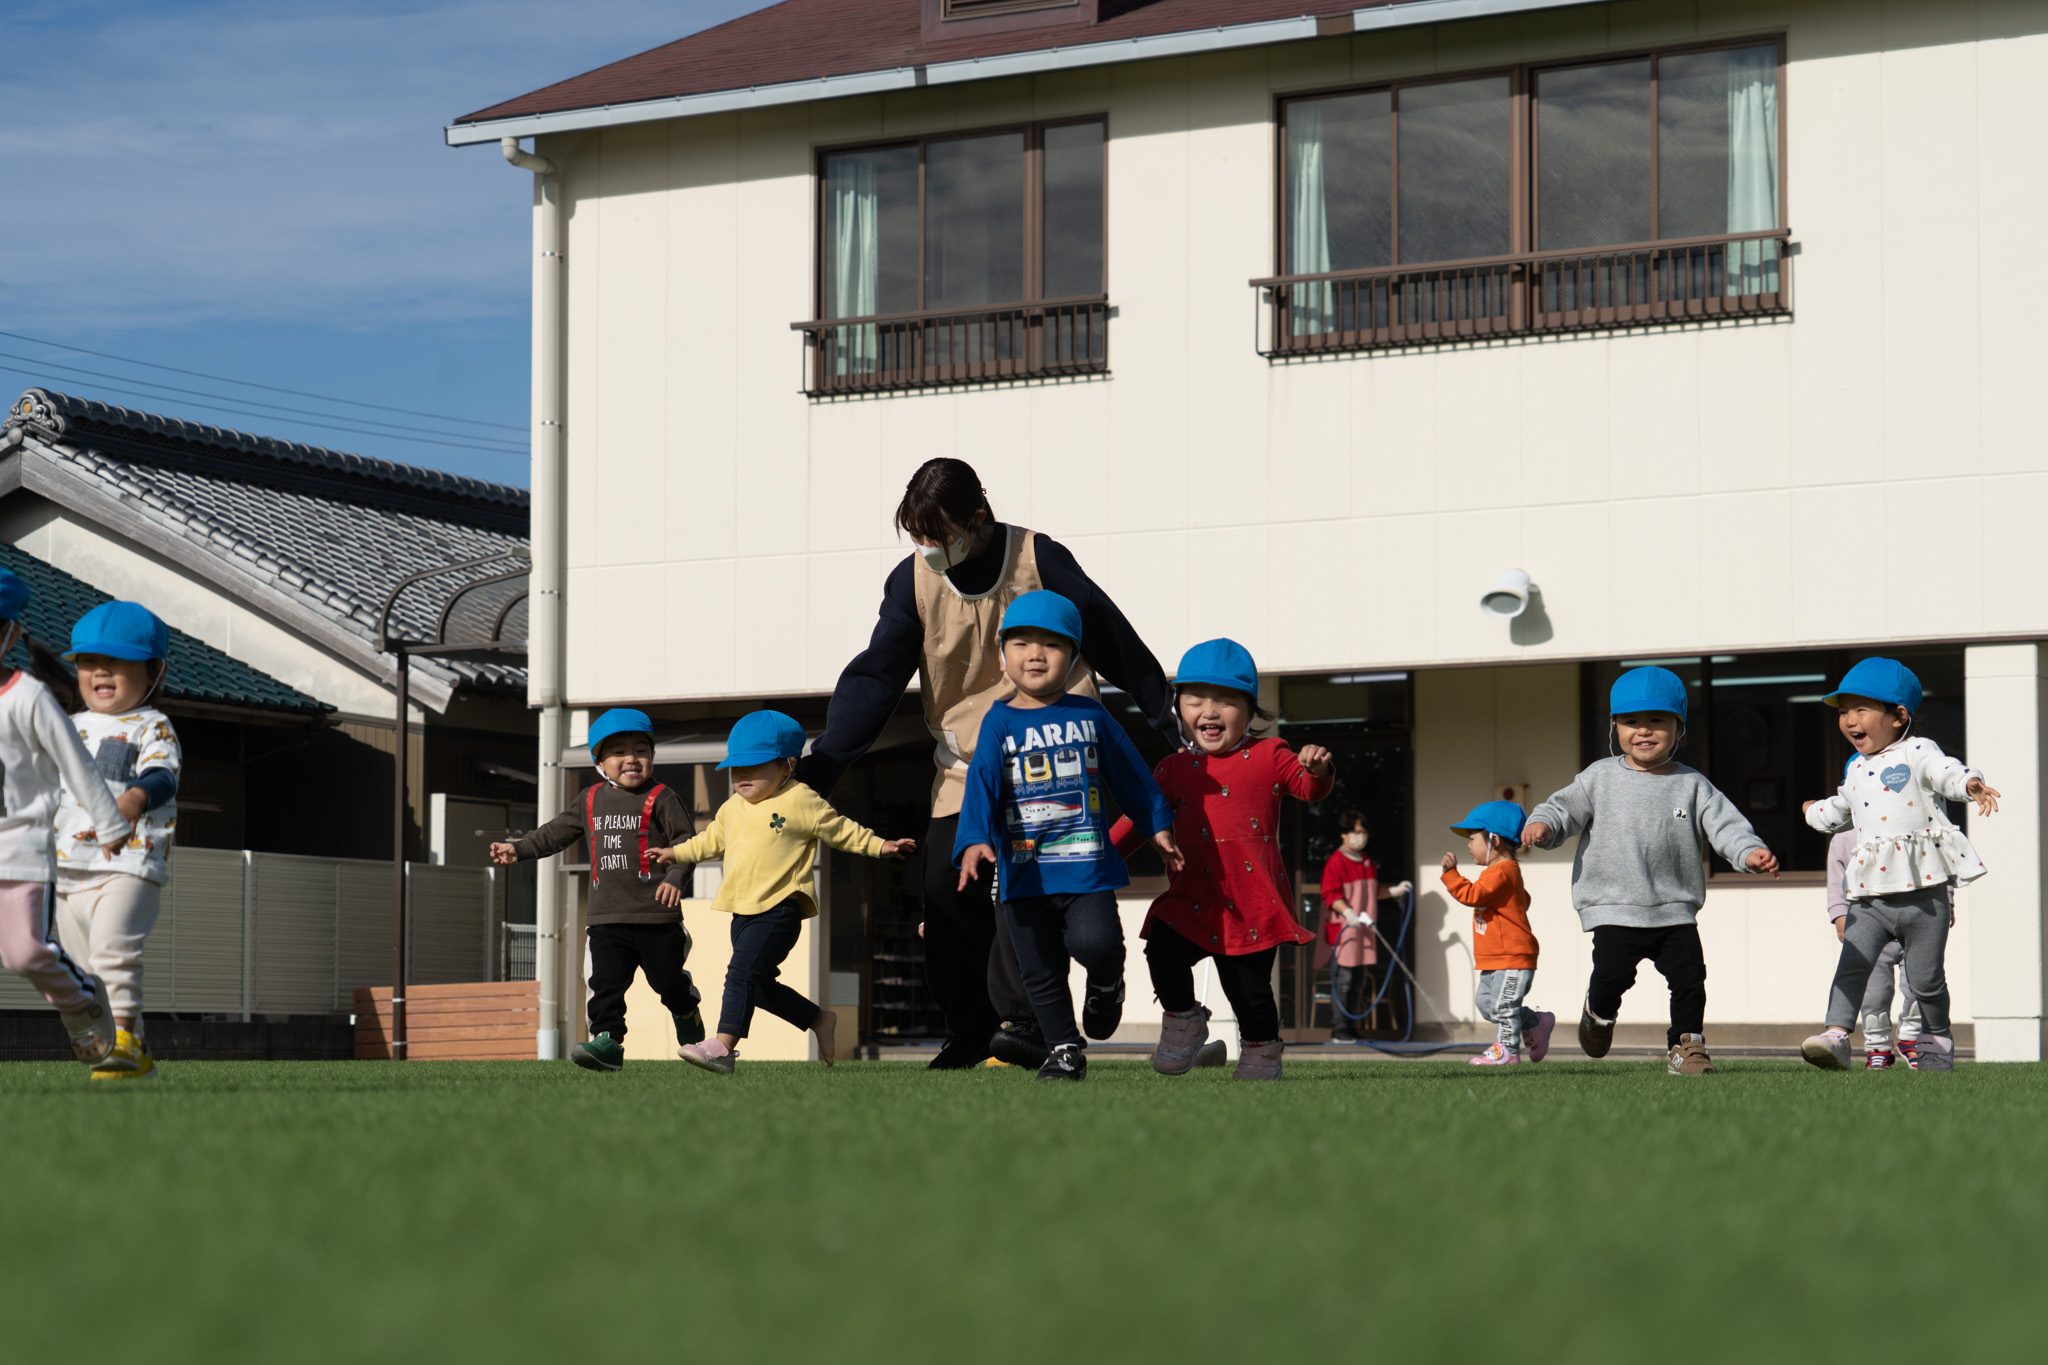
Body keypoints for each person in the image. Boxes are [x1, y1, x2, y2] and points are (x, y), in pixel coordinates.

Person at [796, 458, 1177, 1070]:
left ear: (978, 519)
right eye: (918, 538)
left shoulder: (1038, 559)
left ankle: (1030, 1023)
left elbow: (1111, 637)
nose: (929, 550)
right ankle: (969, 1032)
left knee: (1018, 885)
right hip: (968, 758)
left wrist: (1164, 720)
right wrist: (822, 768)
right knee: (945, 890)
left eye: (939, 536)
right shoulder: (913, 582)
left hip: (1055, 755)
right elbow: (875, 679)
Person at [954, 592, 1181, 1083]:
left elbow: (1131, 775)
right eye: (1022, 643)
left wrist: (1156, 822)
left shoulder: (1090, 716)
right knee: (1039, 971)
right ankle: (1063, 1050)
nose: (1036, 654)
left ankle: (1106, 983)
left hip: (1086, 870)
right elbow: (982, 783)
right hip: (1023, 873)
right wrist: (973, 837)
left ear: (1074, 659)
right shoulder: (999, 721)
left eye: (1052, 645)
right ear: (1002, 656)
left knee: (1097, 943)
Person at [1523, 665, 1780, 1075]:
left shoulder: (1693, 785)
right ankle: (1599, 1013)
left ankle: (1687, 1049)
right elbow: (1563, 808)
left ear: (1679, 729)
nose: (1643, 731)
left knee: (1690, 979)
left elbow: (1726, 827)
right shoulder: (1599, 777)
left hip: (1674, 907)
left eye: (1657, 721)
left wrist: (1749, 852)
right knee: (1611, 977)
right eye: (1631, 722)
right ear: (1615, 727)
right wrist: (1545, 825)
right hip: (1614, 905)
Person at [1110, 640, 1332, 1081]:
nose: (1209, 711)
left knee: (1249, 992)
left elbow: (1308, 788)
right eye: (1195, 700)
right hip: (1192, 897)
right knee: (1162, 950)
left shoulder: (1271, 756)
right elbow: (1140, 821)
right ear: (1179, 709)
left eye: (1226, 701)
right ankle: (1184, 1018)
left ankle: (1262, 1051)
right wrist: (1095, 860)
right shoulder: (1173, 769)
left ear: (1249, 712)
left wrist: (1319, 768)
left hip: (1251, 903)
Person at [659, 710, 915, 1075]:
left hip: (780, 910)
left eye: (755, 766)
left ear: (787, 766)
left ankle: (722, 1048)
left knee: (740, 975)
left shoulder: (800, 800)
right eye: (736, 769)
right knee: (757, 986)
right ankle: (817, 1018)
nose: (742, 776)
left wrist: (879, 845)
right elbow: (709, 841)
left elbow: (840, 829)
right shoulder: (732, 807)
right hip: (742, 912)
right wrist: (675, 853)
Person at [1799, 658, 1994, 1073]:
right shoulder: (1857, 771)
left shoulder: (1917, 750)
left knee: (1925, 980)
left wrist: (1968, 783)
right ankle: (1836, 1035)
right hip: (1870, 899)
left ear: (1898, 716)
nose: (1850, 720)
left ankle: (1936, 1036)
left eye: (1861, 709)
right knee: (1852, 963)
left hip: (1925, 898)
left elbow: (1945, 772)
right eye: (1844, 711)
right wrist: (1812, 812)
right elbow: (1839, 810)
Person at [492, 709, 702, 1072]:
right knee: (604, 983)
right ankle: (607, 1041)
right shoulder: (590, 799)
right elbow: (555, 832)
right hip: (606, 917)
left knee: (667, 981)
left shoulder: (662, 797)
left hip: (656, 915)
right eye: (619, 751)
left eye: (641, 750)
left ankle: (686, 1010)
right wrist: (520, 847)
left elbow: (687, 843)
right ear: (599, 761)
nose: (631, 758)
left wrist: (675, 877)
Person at [0, 569, 131, 1071]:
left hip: (22, 853)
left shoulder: (27, 697)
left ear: (9, 634)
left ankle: (81, 1004)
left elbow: (76, 763)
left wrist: (111, 824)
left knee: (25, 954)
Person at [50, 602, 180, 1080]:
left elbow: (164, 774)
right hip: (67, 868)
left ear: (154, 671)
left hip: (129, 863)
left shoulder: (152, 724)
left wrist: (135, 798)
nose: (101, 670)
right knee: (87, 973)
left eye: (119, 661)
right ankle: (134, 1048)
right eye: (87, 661)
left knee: (113, 950)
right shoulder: (68, 725)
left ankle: (119, 1040)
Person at [1439, 801, 1553, 1066]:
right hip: (1496, 956)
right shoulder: (1502, 873)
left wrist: (1451, 875)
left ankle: (1508, 1052)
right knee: (1488, 1005)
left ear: (1495, 839)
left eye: (1473, 838)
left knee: (1502, 1006)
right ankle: (1537, 1023)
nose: (1468, 845)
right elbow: (1523, 900)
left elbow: (1472, 895)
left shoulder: (1501, 872)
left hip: (1512, 956)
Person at [1825, 827, 1930, 1070]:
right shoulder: (1844, 839)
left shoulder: (1914, 827)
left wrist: (1947, 901)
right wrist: (1840, 916)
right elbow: (1836, 881)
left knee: (1919, 985)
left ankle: (1912, 1039)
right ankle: (1878, 1046)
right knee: (1874, 992)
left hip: (1917, 919)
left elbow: (1938, 869)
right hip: (1869, 926)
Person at [1318, 811, 1412, 1043]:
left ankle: (1350, 1028)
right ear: (1344, 834)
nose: (1361, 837)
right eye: (1356, 832)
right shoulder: (1336, 862)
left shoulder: (1368, 862)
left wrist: (1395, 891)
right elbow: (1330, 894)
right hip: (1346, 930)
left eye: (1364, 832)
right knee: (1345, 980)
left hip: (1366, 931)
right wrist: (1347, 912)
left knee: (1359, 982)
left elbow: (1373, 891)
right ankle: (1338, 1029)